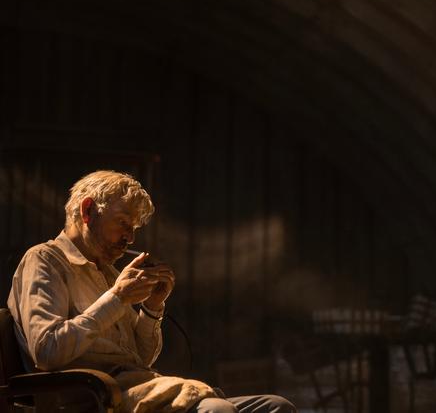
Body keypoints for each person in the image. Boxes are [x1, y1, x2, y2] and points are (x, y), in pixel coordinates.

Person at [7, 170, 296, 413]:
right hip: (97, 400)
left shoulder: (108, 273)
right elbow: (48, 351)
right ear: (88, 210)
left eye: (134, 228)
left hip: (137, 390)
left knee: (275, 407)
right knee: (217, 410)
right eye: (123, 222)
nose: (130, 237)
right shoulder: (45, 260)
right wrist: (117, 298)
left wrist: (152, 307)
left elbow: (140, 360)